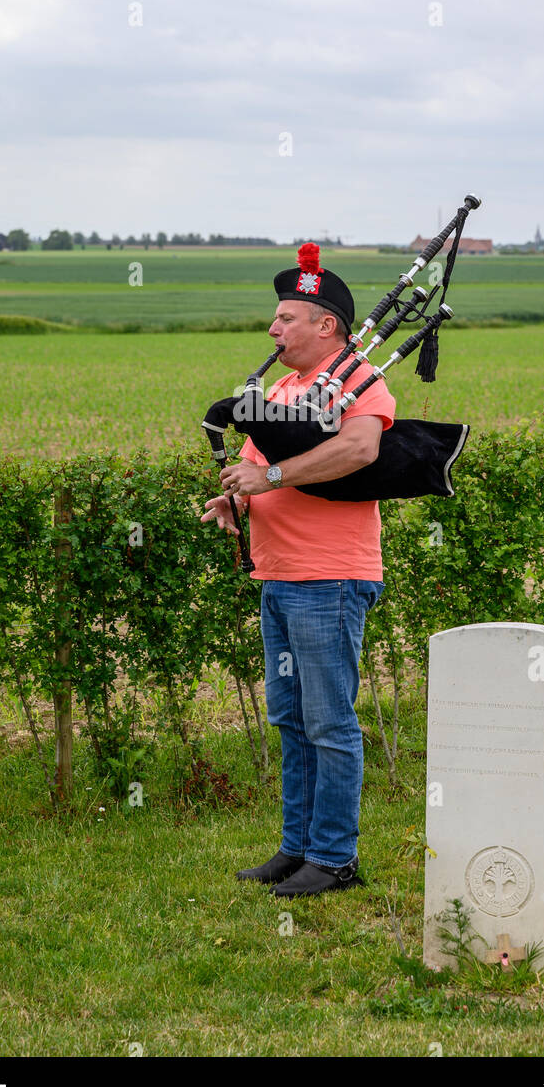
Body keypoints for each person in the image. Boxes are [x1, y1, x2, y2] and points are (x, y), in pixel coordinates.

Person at [201, 244, 395, 897]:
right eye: (275, 318)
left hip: (330, 578)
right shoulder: (283, 390)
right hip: (278, 575)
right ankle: (297, 849)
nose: (272, 329)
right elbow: (257, 472)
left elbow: (359, 449)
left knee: (329, 723)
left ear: (326, 326)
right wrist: (233, 498)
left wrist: (271, 475)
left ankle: (335, 858)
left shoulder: (360, 382)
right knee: (290, 719)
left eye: (287, 318)